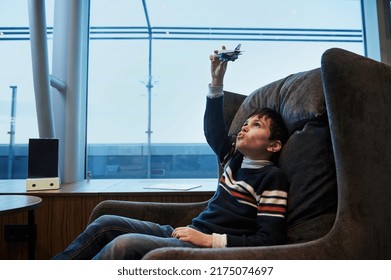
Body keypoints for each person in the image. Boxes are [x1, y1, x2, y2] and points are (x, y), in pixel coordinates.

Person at [52, 47, 289, 260]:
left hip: (205, 246)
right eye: (246, 122)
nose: (245, 126)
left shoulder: (271, 179)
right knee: (105, 224)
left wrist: (209, 240)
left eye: (256, 125)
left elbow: (269, 240)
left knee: (122, 246)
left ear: (274, 145)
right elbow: (213, 129)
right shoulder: (234, 158)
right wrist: (217, 80)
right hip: (188, 231)